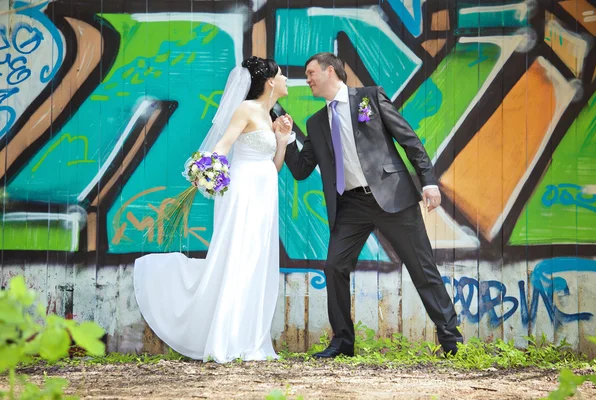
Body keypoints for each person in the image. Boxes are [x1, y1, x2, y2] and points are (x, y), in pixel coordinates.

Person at [283, 52, 463, 358]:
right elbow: (301, 170)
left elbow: (409, 139)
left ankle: (452, 342)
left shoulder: (369, 98)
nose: (308, 79)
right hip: (350, 205)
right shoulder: (315, 124)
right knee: (334, 266)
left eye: (311, 72)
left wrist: (428, 181)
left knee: (423, 269)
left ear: (330, 71)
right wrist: (287, 140)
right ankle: (343, 342)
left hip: (392, 196)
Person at [133, 56, 292, 363]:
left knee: (258, 260)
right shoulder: (246, 109)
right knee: (238, 259)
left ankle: (250, 338)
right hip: (243, 191)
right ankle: (227, 336)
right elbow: (223, 145)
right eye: (282, 75)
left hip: (264, 192)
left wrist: (281, 140)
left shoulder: (270, 113)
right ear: (270, 82)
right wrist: (207, 172)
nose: (286, 79)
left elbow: (274, 166)